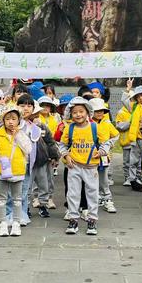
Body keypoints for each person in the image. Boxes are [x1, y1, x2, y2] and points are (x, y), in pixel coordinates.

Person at [58, 97, 110, 236]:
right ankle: (73, 218)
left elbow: (106, 142)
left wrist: (102, 152)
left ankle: (92, 219)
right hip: (74, 166)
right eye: (75, 112)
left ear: (88, 113)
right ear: (70, 114)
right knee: (73, 193)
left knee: (92, 193)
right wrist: (66, 156)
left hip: (91, 167)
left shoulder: (95, 127)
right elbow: (62, 145)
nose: (78, 114)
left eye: (81, 111)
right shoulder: (69, 128)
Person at [0, 105, 31, 237]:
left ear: (19, 120)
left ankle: (16, 222)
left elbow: (28, 149)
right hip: (1, 173)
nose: (11, 122)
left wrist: (18, 136)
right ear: (3, 121)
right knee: (2, 199)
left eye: (13, 119)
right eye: (7, 119)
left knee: (17, 199)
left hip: (18, 172)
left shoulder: (22, 134)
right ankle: (3, 222)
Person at [89, 98, 119, 213]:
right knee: (91, 178)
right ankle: (96, 197)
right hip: (90, 156)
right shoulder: (88, 123)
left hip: (104, 156)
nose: (100, 113)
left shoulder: (107, 123)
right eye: (97, 110)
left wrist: (109, 144)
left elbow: (115, 135)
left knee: (104, 179)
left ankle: (107, 198)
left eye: (102, 110)